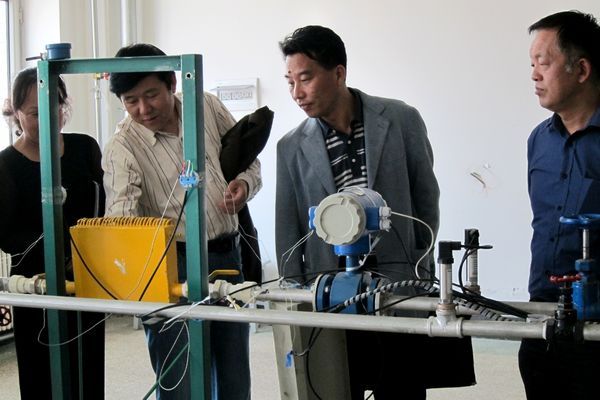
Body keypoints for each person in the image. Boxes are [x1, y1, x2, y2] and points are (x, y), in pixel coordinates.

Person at [276, 26, 444, 399]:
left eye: (306, 78)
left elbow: (425, 198)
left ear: (338, 73)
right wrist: (297, 298)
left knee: (401, 388)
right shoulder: (291, 147)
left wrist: (417, 262)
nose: (297, 93)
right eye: (290, 82)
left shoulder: (400, 120)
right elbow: (288, 230)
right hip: (331, 292)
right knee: (336, 385)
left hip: (396, 285)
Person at [103, 43, 261, 400]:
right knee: (180, 380)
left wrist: (244, 184)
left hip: (226, 258)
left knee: (234, 374)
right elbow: (120, 219)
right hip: (169, 267)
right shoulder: (122, 147)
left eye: (151, 95)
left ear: (172, 83)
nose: (143, 109)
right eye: (130, 101)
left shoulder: (205, 106)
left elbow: (248, 159)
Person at [0, 67, 105, 399]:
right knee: (40, 375)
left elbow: (104, 207)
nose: (47, 119)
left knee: (87, 371)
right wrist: (57, 249)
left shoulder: (85, 148)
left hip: (86, 279)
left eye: (55, 107)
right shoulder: (6, 165)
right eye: (35, 113)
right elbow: (5, 235)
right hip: (35, 286)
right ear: (16, 112)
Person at [521, 10, 600, 400]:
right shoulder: (539, 140)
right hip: (541, 321)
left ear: (581, 69)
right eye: (532, 64)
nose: (534, 75)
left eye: (544, 63)